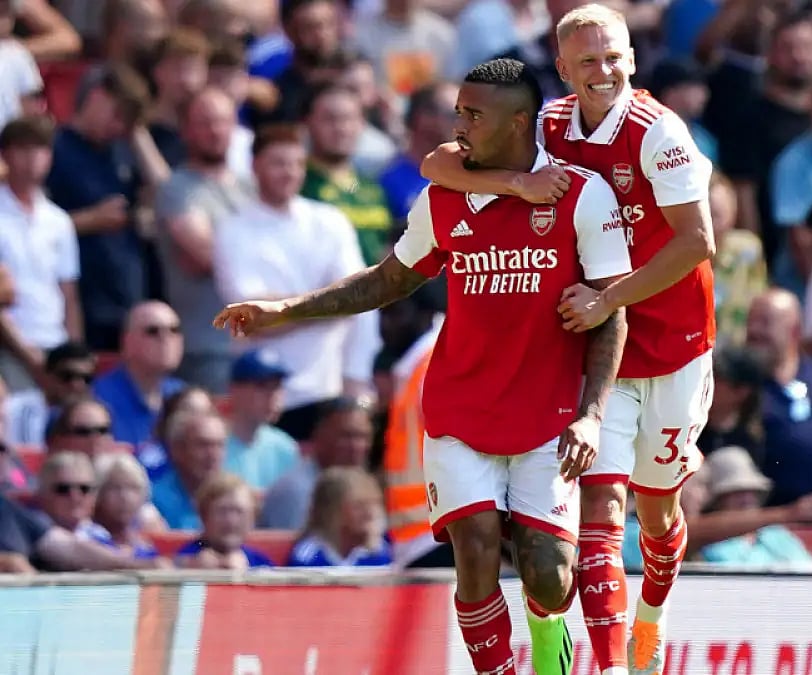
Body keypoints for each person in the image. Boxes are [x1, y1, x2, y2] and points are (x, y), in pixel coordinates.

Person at [214, 58, 631, 675]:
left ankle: (548, 639)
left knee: (549, 577)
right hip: (459, 412)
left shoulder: (581, 196)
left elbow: (611, 312)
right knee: (476, 552)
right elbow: (387, 281)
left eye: (472, 115)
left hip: (548, 417)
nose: (457, 125)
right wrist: (284, 311)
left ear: (519, 122)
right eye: (456, 111)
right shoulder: (442, 200)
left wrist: (592, 415)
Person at [421, 6, 716, 673]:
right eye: (588, 61)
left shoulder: (658, 132)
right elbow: (438, 162)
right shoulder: (548, 124)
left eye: (614, 57)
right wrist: (512, 181)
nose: (604, 71)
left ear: (633, 59)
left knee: (658, 511)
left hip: (673, 344)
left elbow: (700, 241)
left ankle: (651, 620)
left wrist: (608, 296)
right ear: (563, 70)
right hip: (596, 349)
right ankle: (611, 665)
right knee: (601, 516)